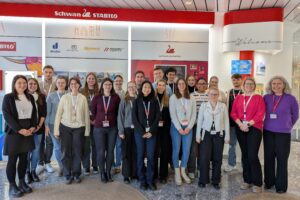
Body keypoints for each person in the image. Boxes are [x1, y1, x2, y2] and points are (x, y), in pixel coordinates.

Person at [3, 75, 37, 198]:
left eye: (24, 83)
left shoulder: (30, 97)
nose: (22, 85)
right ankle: (13, 186)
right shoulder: (8, 97)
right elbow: (7, 116)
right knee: (12, 160)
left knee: (24, 159)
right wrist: (19, 129)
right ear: (14, 84)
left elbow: (34, 114)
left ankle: (22, 182)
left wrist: (33, 127)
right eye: (19, 83)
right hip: (14, 132)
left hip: (28, 131)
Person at [263, 76, 299, 193]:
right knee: (268, 158)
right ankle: (269, 182)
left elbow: (296, 115)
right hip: (268, 131)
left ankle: (281, 186)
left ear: (284, 85)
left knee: (282, 160)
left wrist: (287, 125)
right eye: (274, 84)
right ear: (270, 85)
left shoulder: (291, 98)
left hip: (283, 133)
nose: (276, 86)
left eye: (279, 83)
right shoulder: (266, 98)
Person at [231, 77, 265, 193]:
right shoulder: (239, 97)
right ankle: (247, 180)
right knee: (244, 155)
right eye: (247, 84)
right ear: (243, 85)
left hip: (254, 128)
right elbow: (233, 113)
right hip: (240, 127)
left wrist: (248, 124)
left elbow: (260, 114)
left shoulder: (258, 98)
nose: (249, 86)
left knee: (252, 155)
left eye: (251, 84)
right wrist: (241, 124)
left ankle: (257, 183)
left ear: (254, 86)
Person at [54, 77, 90, 184]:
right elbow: (58, 114)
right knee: (65, 152)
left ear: (79, 85)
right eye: (72, 84)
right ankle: (67, 174)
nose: (73, 85)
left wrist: (87, 130)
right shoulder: (64, 98)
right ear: (69, 86)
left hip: (79, 128)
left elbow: (86, 115)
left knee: (77, 151)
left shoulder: (83, 98)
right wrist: (56, 130)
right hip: (65, 127)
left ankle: (76, 173)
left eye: (76, 83)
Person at [196, 87, 230, 189]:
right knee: (204, 158)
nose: (213, 96)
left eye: (215, 94)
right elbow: (200, 121)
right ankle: (203, 180)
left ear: (218, 95)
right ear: (208, 95)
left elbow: (226, 122)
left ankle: (216, 181)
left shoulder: (223, 106)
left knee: (217, 158)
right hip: (206, 133)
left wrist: (227, 135)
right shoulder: (204, 105)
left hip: (219, 134)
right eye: (211, 94)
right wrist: (198, 135)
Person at [132, 80, 160, 190]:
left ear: (151, 89)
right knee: (139, 156)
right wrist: (142, 132)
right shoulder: (137, 101)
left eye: (148, 87)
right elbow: (134, 118)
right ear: (141, 89)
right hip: (140, 133)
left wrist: (151, 131)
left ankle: (150, 180)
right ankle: (142, 180)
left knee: (151, 156)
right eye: (144, 87)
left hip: (152, 133)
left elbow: (158, 117)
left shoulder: (154, 101)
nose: (146, 89)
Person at [91, 78, 120, 183]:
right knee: (100, 151)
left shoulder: (116, 97)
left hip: (112, 128)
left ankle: (108, 172)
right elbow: (93, 111)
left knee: (111, 150)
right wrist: (99, 118)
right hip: (99, 128)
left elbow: (118, 112)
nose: (108, 86)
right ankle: (102, 172)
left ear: (111, 86)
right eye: (106, 84)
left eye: (109, 84)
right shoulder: (97, 97)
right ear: (102, 86)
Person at [169, 78, 197, 186]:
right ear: (177, 85)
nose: (181, 85)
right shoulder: (173, 97)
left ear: (185, 85)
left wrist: (189, 127)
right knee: (176, 149)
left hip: (188, 127)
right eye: (179, 84)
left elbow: (194, 114)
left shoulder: (192, 97)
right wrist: (179, 128)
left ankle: (183, 171)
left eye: (183, 83)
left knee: (186, 150)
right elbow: (173, 114)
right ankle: (177, 172)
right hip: (176, 127)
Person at [45, 76, 68, 177]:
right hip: (53, 124)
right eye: (59, 82)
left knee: (66, 147)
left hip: (67, 124)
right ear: (56, 84)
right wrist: (46, 125)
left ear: (66, 84)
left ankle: (67, 166)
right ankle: (61, 167)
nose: (61, 84)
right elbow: (47, 112)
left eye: (63, 83)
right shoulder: (51, 96)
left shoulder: (69, 94)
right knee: (58, 147)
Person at [26, 78, 46, 184]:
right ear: (27, 85)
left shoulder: (41, 96)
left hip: (38, 129)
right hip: (26, 130)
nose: (33, 85)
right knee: (27, 152)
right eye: (30, 84)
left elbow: (43, 113)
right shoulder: (24, 97)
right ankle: (27, 172)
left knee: (36, 152)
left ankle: (33, 171)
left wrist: (39, 125)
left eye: (35, 84)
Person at [187, 77, 209, 178]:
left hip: (205, 127)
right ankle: (191, 170)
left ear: (206, 85)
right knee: (193, 149)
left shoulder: (209, 96)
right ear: (196, 85)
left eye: (204, 83)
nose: (201, 85)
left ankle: (201, 169)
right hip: (194, 126)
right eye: (200, 83)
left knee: (203, 150)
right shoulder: (191, 95)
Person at [117, 81, 137, 184]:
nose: (131, 88)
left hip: (138, 130)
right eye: (129, 87)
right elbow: (120, 116)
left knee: (135, 152)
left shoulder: (139, 99)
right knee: (126, 152)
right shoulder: (124, 100)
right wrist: (121, 131)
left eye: (133, 86)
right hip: (127, 129)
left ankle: (134, 173)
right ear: (127, 88)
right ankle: (126, 175)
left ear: (136, 87)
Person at [37, 65, 56, 174]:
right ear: (43, 73)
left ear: (53, 73)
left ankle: (48, 162)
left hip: (50, 116)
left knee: (49, 142)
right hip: (40, 116)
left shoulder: (56, 84)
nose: (48, 74)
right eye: (46, 72)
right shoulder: (38, 84)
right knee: (40, 142)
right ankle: (40, 163)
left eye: (50, 72)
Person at [80, 72, 99, 175]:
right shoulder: (81, 92)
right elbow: (79, 108)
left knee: (96, 145)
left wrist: (95, 119)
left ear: (95, 80)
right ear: (86, 80)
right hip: (85, 122)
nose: (91, 80)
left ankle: (95, 165)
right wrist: (89, 119)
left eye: (93, 78)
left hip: (97, 122)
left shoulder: (99, 92)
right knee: (86, 145)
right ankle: (86, 166)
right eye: (89, 78)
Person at [224, 74, 243, 172]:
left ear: (241, 80)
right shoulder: (230, 92)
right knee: (232, 145)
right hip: (232, 123)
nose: (235, 82)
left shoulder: (244, 91)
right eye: (233, 80)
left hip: (243, 124)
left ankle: (245, 166)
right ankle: (231, 164)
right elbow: (227, 107)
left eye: (237, 80)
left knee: (244, 146)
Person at [154, 79, 171, 184]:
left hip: (165, 130)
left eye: (163, 85)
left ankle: (163, 175)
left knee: (165, 152)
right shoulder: (152, 98)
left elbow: (170, 116)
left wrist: (168, 128)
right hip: (155, 129)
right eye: (159, 85)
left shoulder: (168, 99)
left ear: (165, 87)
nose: (161, 86)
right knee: (155, 152)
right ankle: (155, 173)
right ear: (156, 86)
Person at [113, 75, 126, 174]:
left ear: (122, 82)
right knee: (110, 145)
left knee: (119, 145)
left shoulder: (125, 94)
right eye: (116, 81)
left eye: (120, 81)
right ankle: (111, 164)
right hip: (111, 123)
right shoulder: (110, 93)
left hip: (121, 122)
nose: (118, 82)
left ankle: (117, 165)